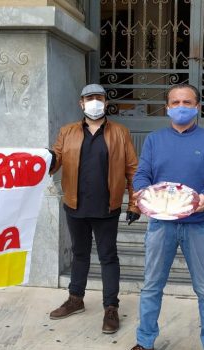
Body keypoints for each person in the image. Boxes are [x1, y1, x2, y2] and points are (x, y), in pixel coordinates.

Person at [123, 83, 204, 350]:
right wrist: (141, 190)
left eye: (187, 101)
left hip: (199, 224)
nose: (180, 106)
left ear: (196, 106)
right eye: (175, 101)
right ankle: (144, 342)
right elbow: (142, 171)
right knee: (151, 286)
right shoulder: (155, 140)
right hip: (161, 224)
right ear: (167, 107)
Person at [48, 84, 140, 334]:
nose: (95, 102)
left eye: (99, 98)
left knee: (108, 256)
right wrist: (42, 159)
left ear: (106, 102)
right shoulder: (67, 132)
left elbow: (133, 169)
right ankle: (75, 299)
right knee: (79, 253)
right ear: (81, 103)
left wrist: (134, 202)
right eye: (90, 98)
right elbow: (53, 161)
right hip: (75, 205)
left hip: (106, 207)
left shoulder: (120, 133)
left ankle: (111, 307)